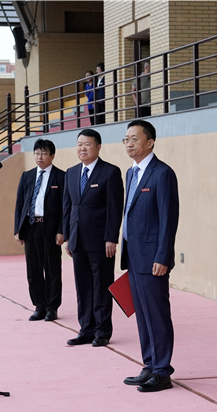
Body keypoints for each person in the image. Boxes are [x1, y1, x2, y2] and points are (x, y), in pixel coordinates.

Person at [120, 120, 179, 393]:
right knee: (142, 315)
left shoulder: (162, 173)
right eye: (126, 139)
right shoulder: (131, 173)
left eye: (135, 138)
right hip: (133, 256)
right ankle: (149, 365)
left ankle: (162, 371)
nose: (129, 143)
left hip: (153, 257)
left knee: (156, 314)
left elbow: (168, 218)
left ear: (150, 142)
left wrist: (163, 256)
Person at [62, 129, 124, 347]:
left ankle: (102, 331)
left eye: (87, 144)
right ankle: (86, 329)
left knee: (101, 285)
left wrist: (111, 238)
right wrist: (68, 236)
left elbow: (115, 208)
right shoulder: (71, 173)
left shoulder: (110, 172)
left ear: (98, 147)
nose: (82, 148)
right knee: (83, 287)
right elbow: (67, 207)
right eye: (79, 144)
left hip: (101, 242)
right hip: (77, 240)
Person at [14, 138, 66, 322]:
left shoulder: (61, 176)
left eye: (44, 153)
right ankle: (39, 306)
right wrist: (18, 229)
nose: (39, 157)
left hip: (50, 228)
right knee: (33, 269)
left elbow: (65, 207)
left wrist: (61, 230)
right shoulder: (27, 176)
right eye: (37, 153)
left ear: (52, 155)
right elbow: (20, 204)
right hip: (31, 227)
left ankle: (52, 307)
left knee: (52, 268)